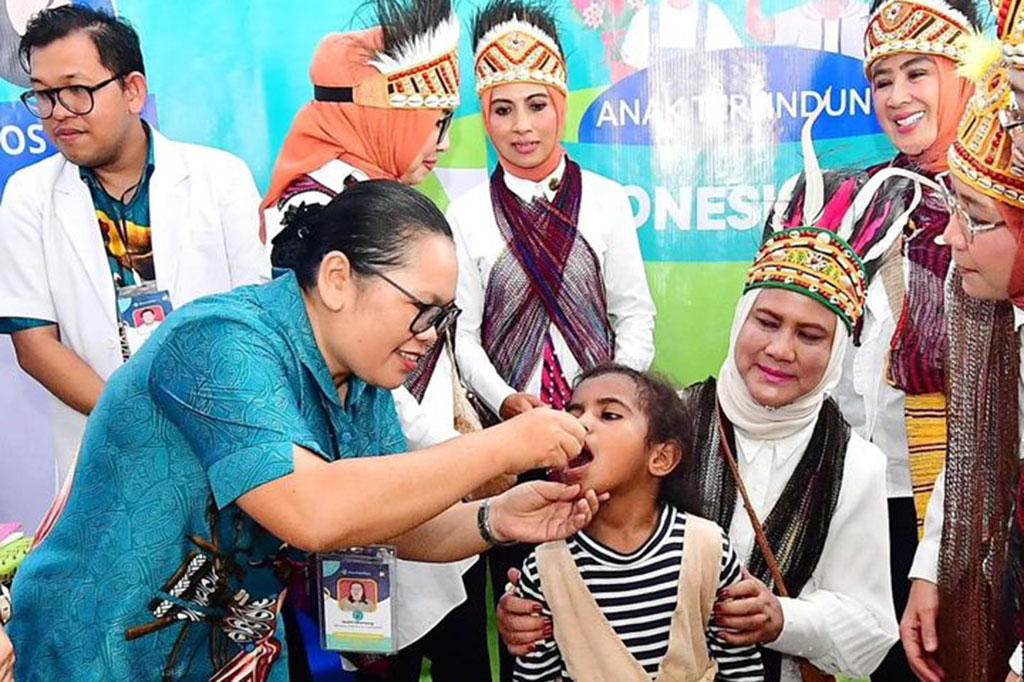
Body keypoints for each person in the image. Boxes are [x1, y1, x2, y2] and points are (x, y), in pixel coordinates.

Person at [7, 180, 604, 682]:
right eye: (422, 310)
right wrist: (501, 442)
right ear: (339, 278)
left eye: (444, 317)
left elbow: (383, 518)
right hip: (101, 650)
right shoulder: (221, 342)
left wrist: (496, 518)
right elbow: (313, 513)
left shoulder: (362, 378)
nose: (430, 334)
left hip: (230, 656)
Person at [498, 113, 901, 681]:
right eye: (767, 321)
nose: (780, 349)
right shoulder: (667, 423)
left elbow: (872, 627)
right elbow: (578, 553)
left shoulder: (856, 463)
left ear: (838, 351)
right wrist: (529, 611)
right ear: (740, 319)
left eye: (810, 335)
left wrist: (783, 620)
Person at [260, 3, 497, 679]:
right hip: (379, 498)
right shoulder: (319, 215)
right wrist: (474, 457)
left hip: (430, 487)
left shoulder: (373, 193)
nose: (444, 143)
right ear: (387, 112)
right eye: (434, 122)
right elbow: (352, 389)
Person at [449, 3, 656, 675]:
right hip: (508, 451)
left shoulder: (604, 200)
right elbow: (464, 339)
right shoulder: (468, 212)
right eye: (502, 110)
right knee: (523, 619)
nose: (521, 127)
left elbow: (636, 318)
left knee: (609, 612)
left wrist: (607, 414)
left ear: (560, 103)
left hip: (597, 451)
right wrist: (511, 404)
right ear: (486, 117)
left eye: (536, 105)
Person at [0, 6, 269, 486]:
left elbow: (251, 321)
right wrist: (135, 419)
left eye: (77, 91)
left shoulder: (220, 177)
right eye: (43, 95)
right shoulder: (27, 197)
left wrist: (196, 418)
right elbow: (35, 345)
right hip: (103, 452)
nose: (59, 112)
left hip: (220, 442)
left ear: (132, 91)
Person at [804, 1, 977, 678]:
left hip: (971, 510)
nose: (897, 98)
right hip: (867, 499)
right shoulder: (860, 198)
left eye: (917, 73)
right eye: (882, 79)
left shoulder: (1005, 210)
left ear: (965, 73)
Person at [899, 19, 1024, 681]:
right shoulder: (1002, 317)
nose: (948, 238)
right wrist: (932, 570)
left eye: (975, 216)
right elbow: (976, 445)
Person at [512, 364, 765, 681]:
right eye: (573, 413)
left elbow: (740, 664)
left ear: (661, 458)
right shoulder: (545, 566)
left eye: (609, 415)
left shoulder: (708, 548)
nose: (579, 425)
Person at [619, 0, 743, 70]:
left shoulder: (713, 15)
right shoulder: (644, 17)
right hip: (655, 113)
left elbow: (736, 64)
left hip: (703, 113)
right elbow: (629, 71)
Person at [746, 0, 868, 59]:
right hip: (808, 102)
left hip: (860, 102)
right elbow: (756, 30)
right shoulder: (797, 18)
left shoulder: (867, 15)